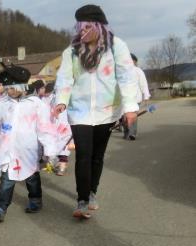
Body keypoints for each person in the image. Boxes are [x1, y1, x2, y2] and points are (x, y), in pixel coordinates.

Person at [54, 4, 138, 219]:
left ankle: (92, 192)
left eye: (87, 27)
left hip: (106, 111)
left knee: (97, 156)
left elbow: (127, 77)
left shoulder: (116, 47)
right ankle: (82, 200)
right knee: (83, 155)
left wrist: (130, 108)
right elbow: (64, 78)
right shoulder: (71, 52)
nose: (82, 32)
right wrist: (61, 101)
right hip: (79, 111)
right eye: (80, 28)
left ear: (99, 27)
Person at [0, 65, 66, 223]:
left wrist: (50, 150)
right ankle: (0, 207)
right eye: (7, 89)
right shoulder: (4, 104)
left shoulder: (35, 104)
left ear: (21, 87)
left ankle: (35, 200)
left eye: (11, 88)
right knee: (7, 180)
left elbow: (45, 128)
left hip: (27, 151)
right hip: (8, 150)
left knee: (31, 178)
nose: (8, 92)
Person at [42, 81, 73, 176]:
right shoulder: (52, 99)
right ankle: (56, 166)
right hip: (57, 126)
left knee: (62, 148)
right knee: (58, 146)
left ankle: (61, 167)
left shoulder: (60, 99)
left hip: (64, 126)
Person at [122, 53, 150, 140]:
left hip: (135, 98)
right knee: (124, 118)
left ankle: (132, 133)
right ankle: (126, 132)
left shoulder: (138, 71)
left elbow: (143, 84)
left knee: (133, 116)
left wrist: (146, 96)